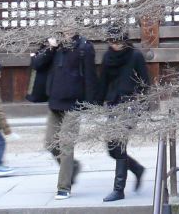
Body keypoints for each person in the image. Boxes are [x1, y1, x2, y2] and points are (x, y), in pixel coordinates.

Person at [31, 30, 96, 201]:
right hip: (55, 101)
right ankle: (71, 168)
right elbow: (36, 64)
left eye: (70, 24)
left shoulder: (84, 47)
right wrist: (50, 48)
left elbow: (90, 76)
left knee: (66, 146)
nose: (67, 29)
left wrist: (89, 103)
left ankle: (63, 187)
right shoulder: (53, 43)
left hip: (74, 103)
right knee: (51, 144)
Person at [99, 24, 151, 202]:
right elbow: (103, 81)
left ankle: (118, 189)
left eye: (118, 41)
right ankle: (137, 169)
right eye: (111, 41)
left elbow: (145, 82)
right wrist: (97, 102)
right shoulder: (108, 57)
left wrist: (143, 105)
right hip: (113, 104)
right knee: (112, 149)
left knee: (119, 145)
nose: (115, 45)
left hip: (131, 104)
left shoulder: (135, 56)